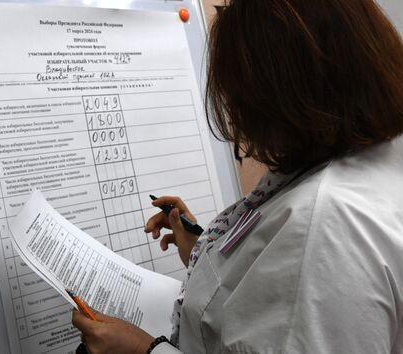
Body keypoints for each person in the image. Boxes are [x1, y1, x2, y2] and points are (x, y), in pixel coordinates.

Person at [72, 0, 403, 352]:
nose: (236, 115)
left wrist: (143, 350)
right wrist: (207, 250)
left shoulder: (325, 225)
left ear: (280, 94)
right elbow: (265, 282)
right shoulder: (370, 160)